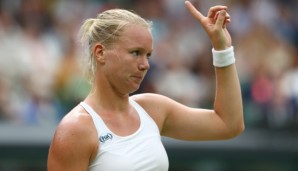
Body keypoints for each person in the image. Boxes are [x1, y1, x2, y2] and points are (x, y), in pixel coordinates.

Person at [47, 1, 244, 171]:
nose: (145, 64)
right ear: (100, 53)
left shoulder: (152, 109)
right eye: (135, 53)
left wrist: (222, 48)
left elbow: (229, 124)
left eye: (148, 55)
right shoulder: (75, 130)